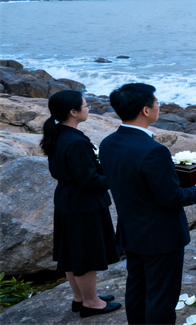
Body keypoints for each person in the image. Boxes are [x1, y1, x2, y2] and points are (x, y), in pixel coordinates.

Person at [99, 83, 196, 324]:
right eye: (156, 102)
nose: (158, 105)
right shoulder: (154, 151)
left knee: (137, 288)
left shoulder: (108, 143)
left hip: (131, 230)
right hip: (161, 235)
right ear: (146, 110)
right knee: (162, 296)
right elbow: (170, 197)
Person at [41, 90, 122, 318]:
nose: (88, 109)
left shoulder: (59, 134)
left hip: (68, 200)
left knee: (71, 253)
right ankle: (91, 302)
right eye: (85, 106)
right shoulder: (75, 141)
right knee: (86, 255)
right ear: (73, 112)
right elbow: (89, 180)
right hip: (83, 204)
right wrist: (117, 177)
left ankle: (80, 298)